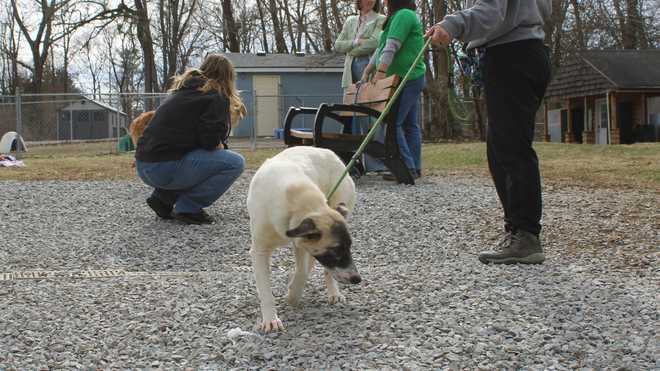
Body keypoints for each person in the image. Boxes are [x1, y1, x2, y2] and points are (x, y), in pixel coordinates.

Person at [426, 1, 552, 264]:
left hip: (513, 56)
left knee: (511, 148)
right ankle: (518, 230)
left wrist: (452, 25)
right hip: (523, 53)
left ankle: (526, 235)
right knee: (501, 148)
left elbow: (492, 11)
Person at [135, 53, 247, 225]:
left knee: (197, 158)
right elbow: (209, 141)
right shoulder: (216, 95)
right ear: (228, 76)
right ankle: (189, 207)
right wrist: (221, 146)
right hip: (163, 169)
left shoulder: (182, 91)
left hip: (144, 166)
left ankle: (163, 198)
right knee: (234, 162)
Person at [362, 0, 426, 181]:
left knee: (394, 122)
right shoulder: (394, 18)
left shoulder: (404, 15)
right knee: (409, 124)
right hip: (400, 77)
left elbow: (392, 46)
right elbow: (382, 46)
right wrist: (369, 69)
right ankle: (414, 167)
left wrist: (381, 71)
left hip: (408, 77)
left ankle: (406, 166)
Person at [334, 0, 387, 176]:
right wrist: (357, 42)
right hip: (350, 73)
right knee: (350, 117)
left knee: (371, 119)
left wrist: (353, 46)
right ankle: (351, 162)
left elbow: (375, 43)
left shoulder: (380, 19)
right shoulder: (350, 21)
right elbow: (338, 45)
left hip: (369, 70)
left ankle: (376, 164)